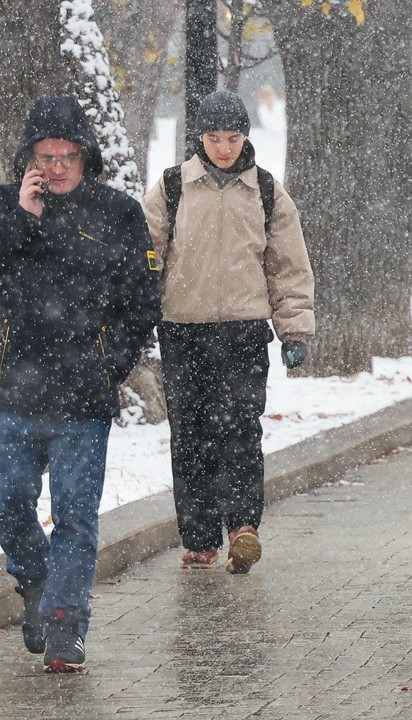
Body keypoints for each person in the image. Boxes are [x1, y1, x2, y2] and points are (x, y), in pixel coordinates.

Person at [0, 96, 161, 673]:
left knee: (75, 513)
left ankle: (67, 622)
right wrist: (22, 216)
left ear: (87, 158)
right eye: (47, 156)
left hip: (83, 398)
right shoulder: (3, 205)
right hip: (10, 392)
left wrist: (107, 363)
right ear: (28, 158)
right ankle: (37, 580)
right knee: (3, 500)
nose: (59, 167)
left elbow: (142, 299)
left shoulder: (117, 214)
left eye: (70, 155)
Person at [142, 90, 315, 575]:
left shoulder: (265, 191)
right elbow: (145, 257)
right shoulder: (173, 188)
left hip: (243, 333)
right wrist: (136, 318)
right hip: (183, 332)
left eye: (233, 137)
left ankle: (243, 527)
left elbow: (288, 267)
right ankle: (198, 537)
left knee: (240, 429)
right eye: (214, 138)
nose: (223, 147)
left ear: (246, 137)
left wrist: (295, 331)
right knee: (191, 436)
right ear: (199, 138)